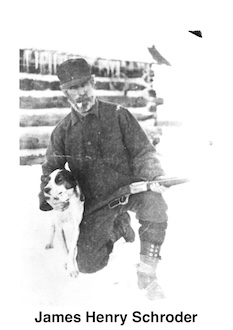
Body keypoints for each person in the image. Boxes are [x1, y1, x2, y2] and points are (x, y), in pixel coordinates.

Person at [39, 58, 168, 299]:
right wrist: (49, 200)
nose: (81, 94)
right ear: (65, 92)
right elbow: (49, 170)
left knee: (155, 206)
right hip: (96, 202)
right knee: (88, 264)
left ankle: (147, 274)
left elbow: (143, 152)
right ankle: (118, 228)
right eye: (73, 89)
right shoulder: (62, 131)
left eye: (85, 86)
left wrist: (155, 175)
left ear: (93, 83)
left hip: (130, 189)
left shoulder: (119, 116)